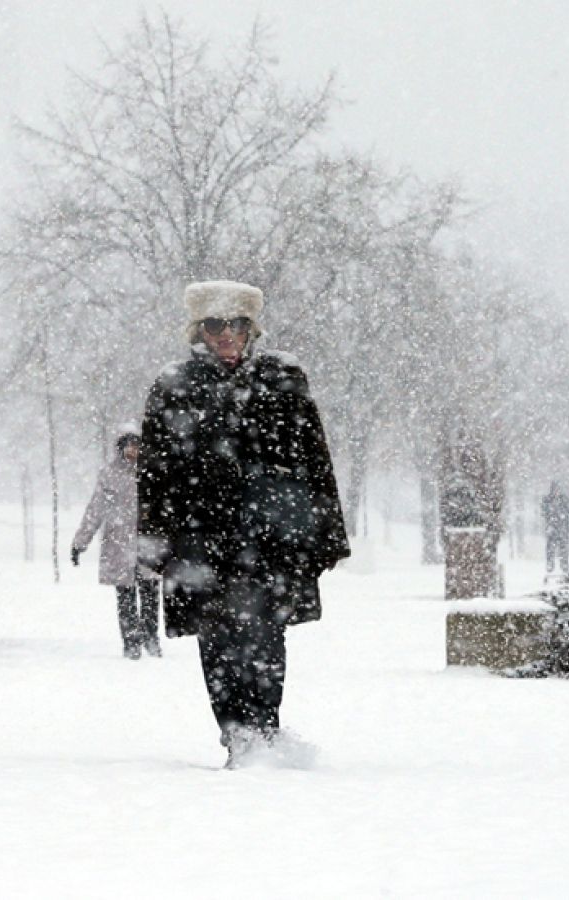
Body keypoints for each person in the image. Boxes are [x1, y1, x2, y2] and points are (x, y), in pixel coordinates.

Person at [137, 280, 350, 768]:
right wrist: (154, 540)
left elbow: (315, 458)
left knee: (266, 634)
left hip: (272, 536)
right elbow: (154, 473)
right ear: (199, 330)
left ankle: (266, 731)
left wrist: (327, 534)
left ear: (251, 328)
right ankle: (237, 736)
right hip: (201, 540)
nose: (226, 334)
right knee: (217, 640)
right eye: (215, 325)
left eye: (236, 324)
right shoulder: (175, 384)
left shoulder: (285, 377)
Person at [71, 426, 162, 659]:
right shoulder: (110, 474)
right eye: (129, 445)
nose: (133, 450)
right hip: (119, 544)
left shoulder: (153, 472)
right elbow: (95, 510)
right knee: (125, 597)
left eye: (137, 445)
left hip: (148, 543)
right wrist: (81, 542)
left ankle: (151, 638)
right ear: (121, 448)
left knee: (150, 594)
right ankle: (131, 642)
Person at [541, 481, 569, 576]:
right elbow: (544, 512)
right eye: (555, 489)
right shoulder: (547, 500)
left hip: (562, 528)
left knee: (563, 548)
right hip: (552, 528)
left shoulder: (564, 500)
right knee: (550, 548)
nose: (557, 491)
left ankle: (564, 566)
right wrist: (551, 516)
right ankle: (550, 565)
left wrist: (562, 517)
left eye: (558, 489)